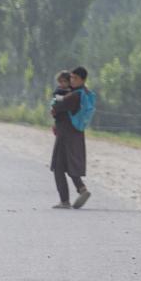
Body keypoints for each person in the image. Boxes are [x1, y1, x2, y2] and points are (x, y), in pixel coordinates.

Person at [48, 67, 94, 210]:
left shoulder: (75, 95)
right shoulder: (85, 93)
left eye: (74, 78)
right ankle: (81, 189)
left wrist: (55, 102)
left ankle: (65, 201)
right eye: (71, 78)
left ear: (82, 80)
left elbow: (57, 105)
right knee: (69, 164)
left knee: (58, 166)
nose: (71, 81)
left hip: (65, 133)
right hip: (76, 133)